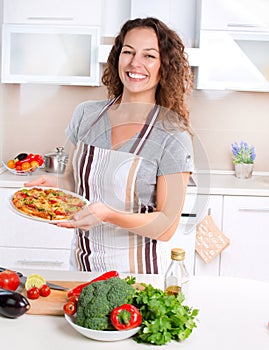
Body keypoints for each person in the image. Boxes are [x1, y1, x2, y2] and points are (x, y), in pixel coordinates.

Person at [26, 17, 194, 274]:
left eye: (149, 56)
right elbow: (76, 180)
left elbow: (166, 226)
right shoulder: (86, 115)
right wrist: (57, 185)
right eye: (128, 52)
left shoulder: (172, 135)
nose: (135, 63)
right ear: (117, 57)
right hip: (82, 266)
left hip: (137, 277)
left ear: (164, 67)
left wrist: (108, 214)